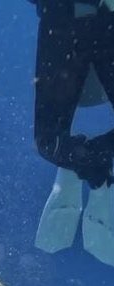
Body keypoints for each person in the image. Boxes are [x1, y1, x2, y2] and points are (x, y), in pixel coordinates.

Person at [29, 0, 114, 264]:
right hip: (68, 20)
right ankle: (94, 166)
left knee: (49, 142)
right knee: (48, 142)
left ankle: (88, 163)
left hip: (73, 23)